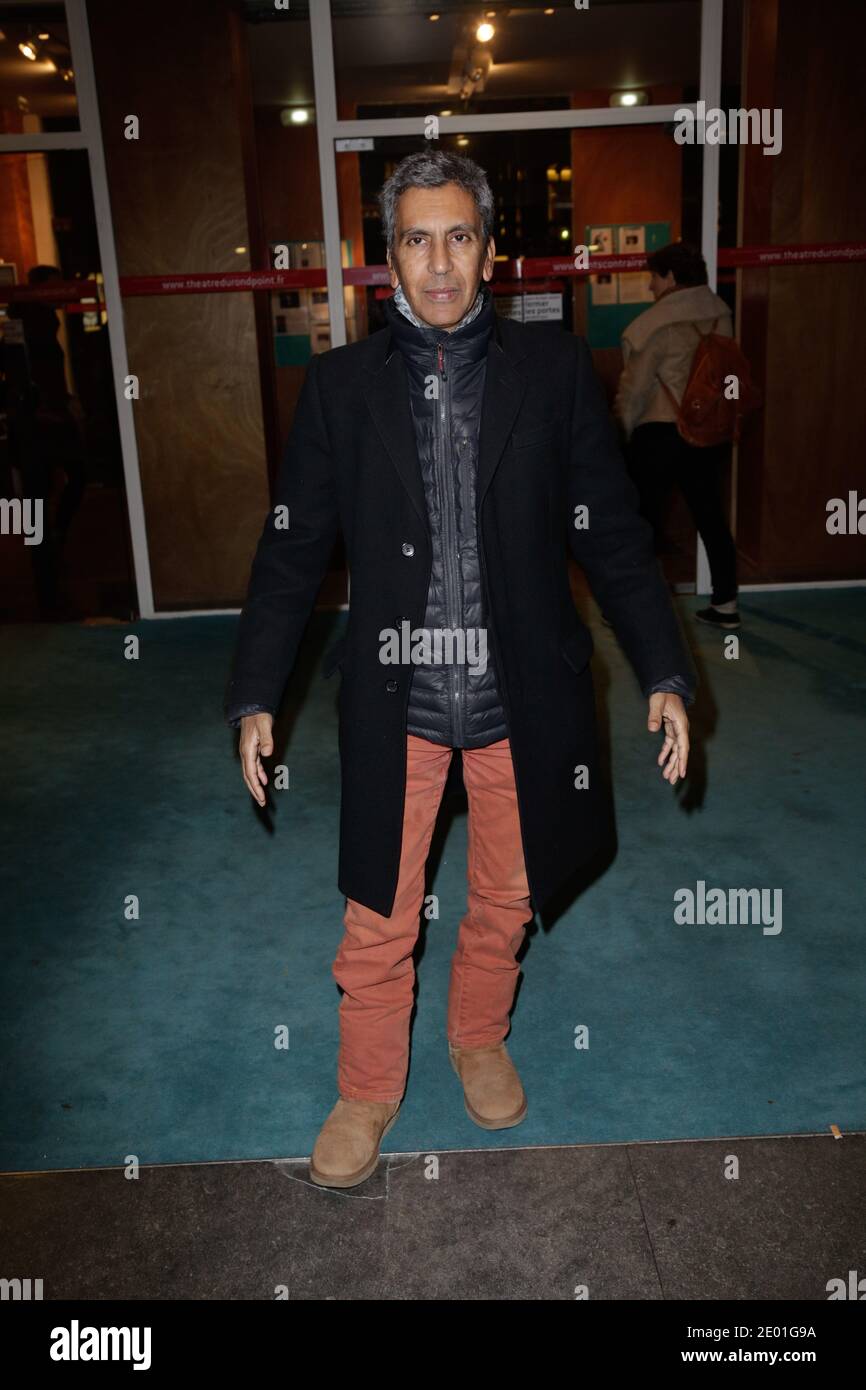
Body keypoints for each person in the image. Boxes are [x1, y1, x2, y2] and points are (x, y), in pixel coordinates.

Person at [224, 150, 695, 1189]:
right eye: (414, 239)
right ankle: (365, 1084)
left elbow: (611, 533)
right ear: (385, 256)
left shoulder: (555, 371)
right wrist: (256, 691)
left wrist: (662, 666)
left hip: (522, 691)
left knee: (506, 889)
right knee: (378, 910)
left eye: (458, 236)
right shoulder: (342, 386)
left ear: (489, 249)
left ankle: (477, 1033)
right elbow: (293, 544)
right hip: (397, 694)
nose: (438, 263)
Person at [614, 241, 741, 630]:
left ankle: (640, 611)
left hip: (660, 435)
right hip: (706, 434)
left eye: (654, 276)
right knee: (710, 517)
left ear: (669, 277)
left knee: (641, 524)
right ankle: (726, 605)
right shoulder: (722, 317)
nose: (651, 286)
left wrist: (618, 434)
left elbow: (634, 393)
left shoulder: (655, 326)